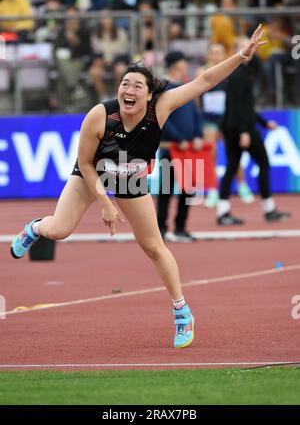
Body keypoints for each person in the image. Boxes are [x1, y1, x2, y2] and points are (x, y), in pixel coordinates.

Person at [10, 25, 266, 349]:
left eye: (136, 85)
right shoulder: (100, 115)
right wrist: (104, 202)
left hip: (131, 179)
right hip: (94, 172)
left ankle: (182, 312)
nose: (128, 89)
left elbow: (204, 81)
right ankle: (34, 228)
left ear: (149, 93)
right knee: (59, 230)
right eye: (124, 84)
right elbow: (86, 163)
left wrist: (240, 56)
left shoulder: (161, 107)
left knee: (154, 247)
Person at [216, 37, 291, 225]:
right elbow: (237, 107)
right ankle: (269, 210)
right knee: (263, 163)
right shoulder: (238, 75)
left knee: (232, 167)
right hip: (241, 128)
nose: (249, 50)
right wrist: (244, 132)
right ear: (235, 51)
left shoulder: (241, 72)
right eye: (243, 48)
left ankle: (223, 211)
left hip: (235, 126)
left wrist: (264, 123)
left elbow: (247, 106)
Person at [198, 43, 254, 208]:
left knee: (233, 153)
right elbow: (196, 97)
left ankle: (242, 185)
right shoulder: (202, 72)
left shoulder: (231, 71)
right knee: (211, 153)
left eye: (219, 52)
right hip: (209, 118)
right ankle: (213, 190)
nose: (216, 56)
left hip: (228, 118)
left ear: (224, 54)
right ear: (209, 55)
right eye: (213, 53)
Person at [157, 51, 203, 242]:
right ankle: (161, 229)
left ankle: (181, 228)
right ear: (176, 64)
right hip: (171, 147)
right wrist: (178, 139)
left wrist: (198, 135)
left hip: (189, 149)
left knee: (189, 188)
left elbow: (196, 113)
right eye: (184, 62)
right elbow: (162, 118)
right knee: (166, 189)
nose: (186, 65)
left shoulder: (187, 86)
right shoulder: (163, 88)